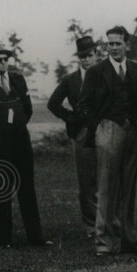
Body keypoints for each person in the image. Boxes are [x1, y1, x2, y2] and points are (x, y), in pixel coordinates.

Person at [0, 43, 50, 248]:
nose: (3, 63)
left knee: (27, 191)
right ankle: (2, 239)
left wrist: (15, 127)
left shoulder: (18, 80)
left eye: (6, 59)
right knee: (1, 190)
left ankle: (35, 237)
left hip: (21, 144)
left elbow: (27, 109)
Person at [77, 25, 137, 256]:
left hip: (133, 132)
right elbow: (83, 105)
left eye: (118, 43)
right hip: (108, 131)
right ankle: (103, 243)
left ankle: (128, 239)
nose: (114, 48)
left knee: (129, 189)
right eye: (110, 44)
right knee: (106, 189)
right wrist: (98, 128)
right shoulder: (96, 71)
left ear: (126, 44)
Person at [47, 35, 99, 238]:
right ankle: (91, 225)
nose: (86, 59)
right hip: (82, 133)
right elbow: (53, 103)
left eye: (90, 55)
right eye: (82, 56)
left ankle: (109, 221)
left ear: (96, 55)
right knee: (86, 181)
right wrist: (72, 119)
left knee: (107, 178)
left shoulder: (105, 74)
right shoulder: (71, 80)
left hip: (104, 129)